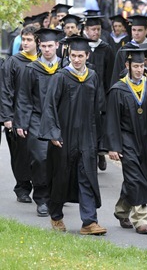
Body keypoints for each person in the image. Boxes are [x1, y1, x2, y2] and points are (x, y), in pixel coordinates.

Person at [39, 35, 106, 235]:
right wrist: (53, 133)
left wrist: (98, 139)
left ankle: (89, 222)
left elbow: (98, 109)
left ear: (87, 55)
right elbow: (49, 106)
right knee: (61, 177)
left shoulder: (93, 77)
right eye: (73, 55)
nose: (76, 60)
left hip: (86, 137)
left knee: (87, 177)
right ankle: (57, 216)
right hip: (63, 137)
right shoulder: (61, 77)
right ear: (69, 55)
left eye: (80, 56)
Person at [105, 44, 147, 234]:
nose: (139, 70)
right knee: (135, 177)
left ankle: (121, 210)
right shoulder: (118, 89)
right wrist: (113, 146)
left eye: (142, 66)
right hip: (127, 140)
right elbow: (112, 121)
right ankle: (140, 220)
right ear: (128, 65)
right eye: (135, 67)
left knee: (143, 178)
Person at [13, 28, 62, 217]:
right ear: (39, 46)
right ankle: (41, 199)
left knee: (58, 160)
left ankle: (56, 197)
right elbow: (24, 97)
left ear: (57, 45)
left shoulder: (64, 68)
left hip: (59, 120)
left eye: (51, 46)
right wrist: (21, 123)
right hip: (37, 118)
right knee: (40, 158)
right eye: (44, 46)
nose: (47, 49)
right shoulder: (32, 69)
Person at [0, 26, 38, 203]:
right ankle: (22, 187)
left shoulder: (44, 62)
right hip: (16, 116)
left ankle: (41, 187)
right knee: (20, 154)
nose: (25, 43)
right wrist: (7, 117)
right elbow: (5, 90)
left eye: (29, 40)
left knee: (39, 154)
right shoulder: (13, 62)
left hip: (38, 116)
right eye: (24, 39)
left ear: (37, 41)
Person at [82, 15, 115, 171]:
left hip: (101, 93)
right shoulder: (82, 48)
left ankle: (99, 154)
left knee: (99, 124)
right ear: (86, 30)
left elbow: (110, 74)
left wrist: (108, 95)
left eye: (98, 29)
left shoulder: (106, 48)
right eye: (93, 29)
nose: (96, 32)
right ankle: (90, 156)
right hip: (85, 93)